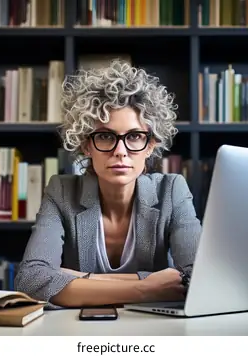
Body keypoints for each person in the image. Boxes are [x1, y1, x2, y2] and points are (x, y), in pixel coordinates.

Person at [14, 59, 202, 308]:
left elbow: (197, 279)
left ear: (151, 146)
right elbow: (31, 281)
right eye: (105, 136)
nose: (120, 151)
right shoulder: (60, 191)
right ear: (86, 145)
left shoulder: (172, 190)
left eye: (134, 136)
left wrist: (77, 279)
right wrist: (146, 288)